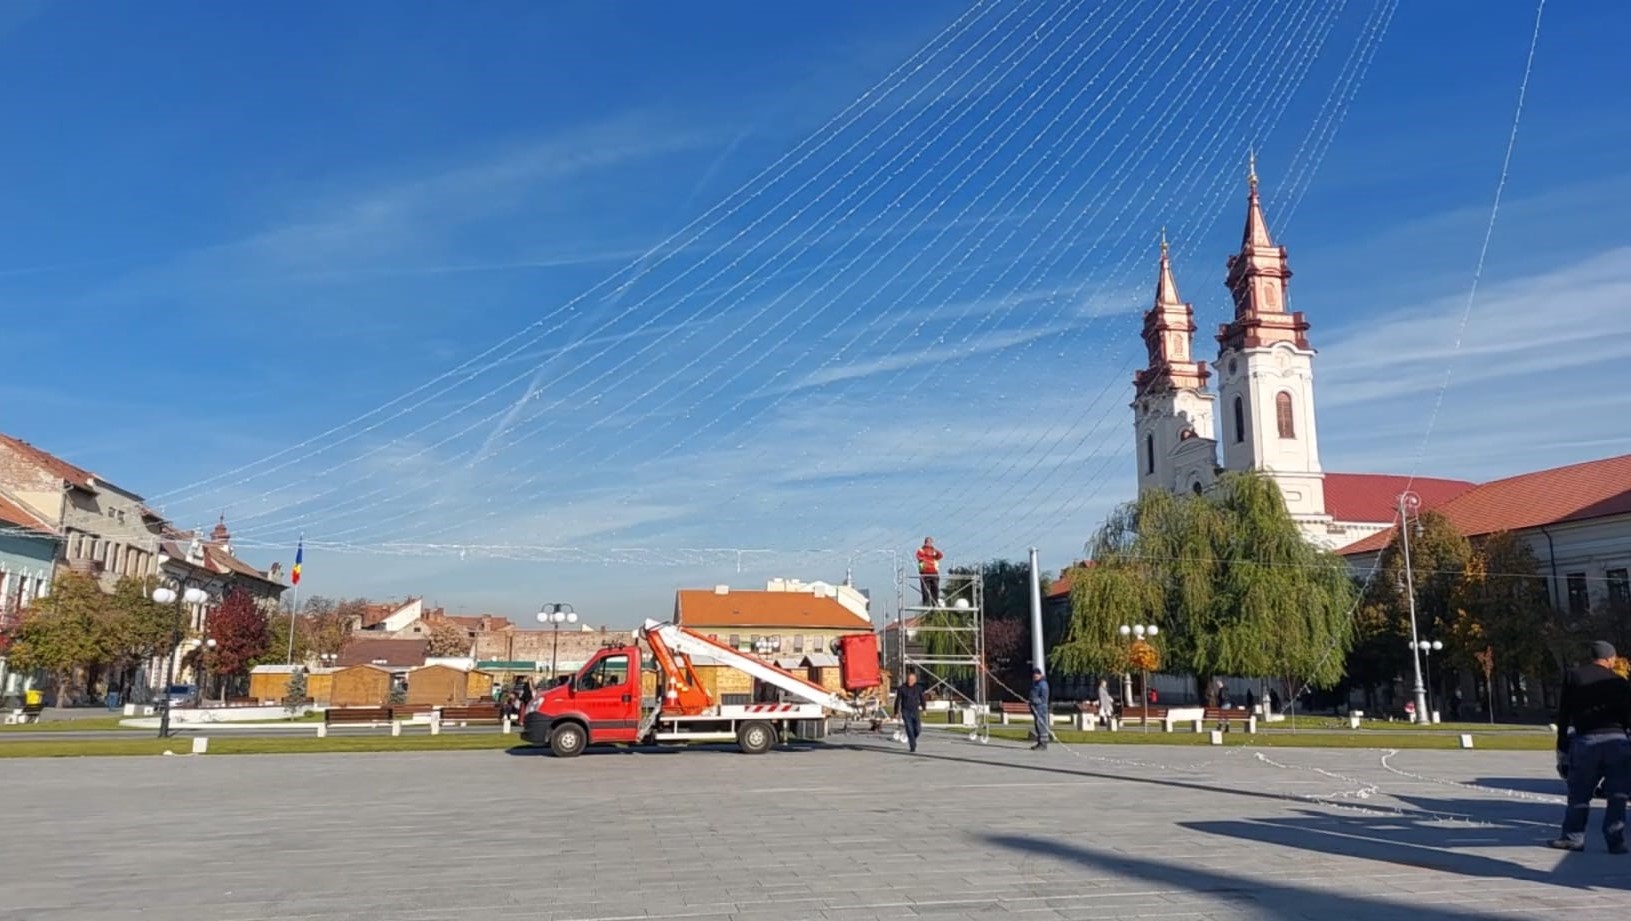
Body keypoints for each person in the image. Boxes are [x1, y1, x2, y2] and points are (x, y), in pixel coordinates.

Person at [1551, 640, 1631, 852]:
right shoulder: (1619, 682)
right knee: (1618, 794)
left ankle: (1573, 837)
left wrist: (1562, 740)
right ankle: (1615, 840)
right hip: (1616, 740)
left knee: (1580, 793)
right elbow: (1627, 716)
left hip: (1587, 740)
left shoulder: (1574, 676)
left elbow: (1564, 710)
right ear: (1610, 658)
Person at [894, 671, 926, 753]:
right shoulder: (902, 688)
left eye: (912, 680)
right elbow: (897, 700)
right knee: (909, 728)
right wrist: (896, 712)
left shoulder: (918, 688)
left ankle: (912, 739)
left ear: (915, 680)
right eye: (909, 679)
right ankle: (912, 745)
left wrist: (924, 708)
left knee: (918, 729)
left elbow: (922, 698)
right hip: (906, 711)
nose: (910, 681)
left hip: (915, 710)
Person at [916, 537, 944, 606]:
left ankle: (934, 603)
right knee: (925, 590)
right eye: (927, 542)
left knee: (935, 589)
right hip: (925, 572)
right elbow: (919, 556)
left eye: (930, 542)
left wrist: (936, 551)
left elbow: (940, 556)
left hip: (933, 572)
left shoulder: (934, 550)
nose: (928, 543)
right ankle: (927, 603)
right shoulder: (921, 550)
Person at [1029, 667, 1051, 751]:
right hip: (1036, 707)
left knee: (1041, 725)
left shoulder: (1043, 684)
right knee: (1037, 725)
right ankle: (1039, 742)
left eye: (1036, 675)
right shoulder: (1036, 684)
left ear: (1040, 675)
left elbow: (1043, 698)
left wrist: (1034, 700)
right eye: (1034, 676)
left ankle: (1043, 743)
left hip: (1041, 708)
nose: (1034, 677)